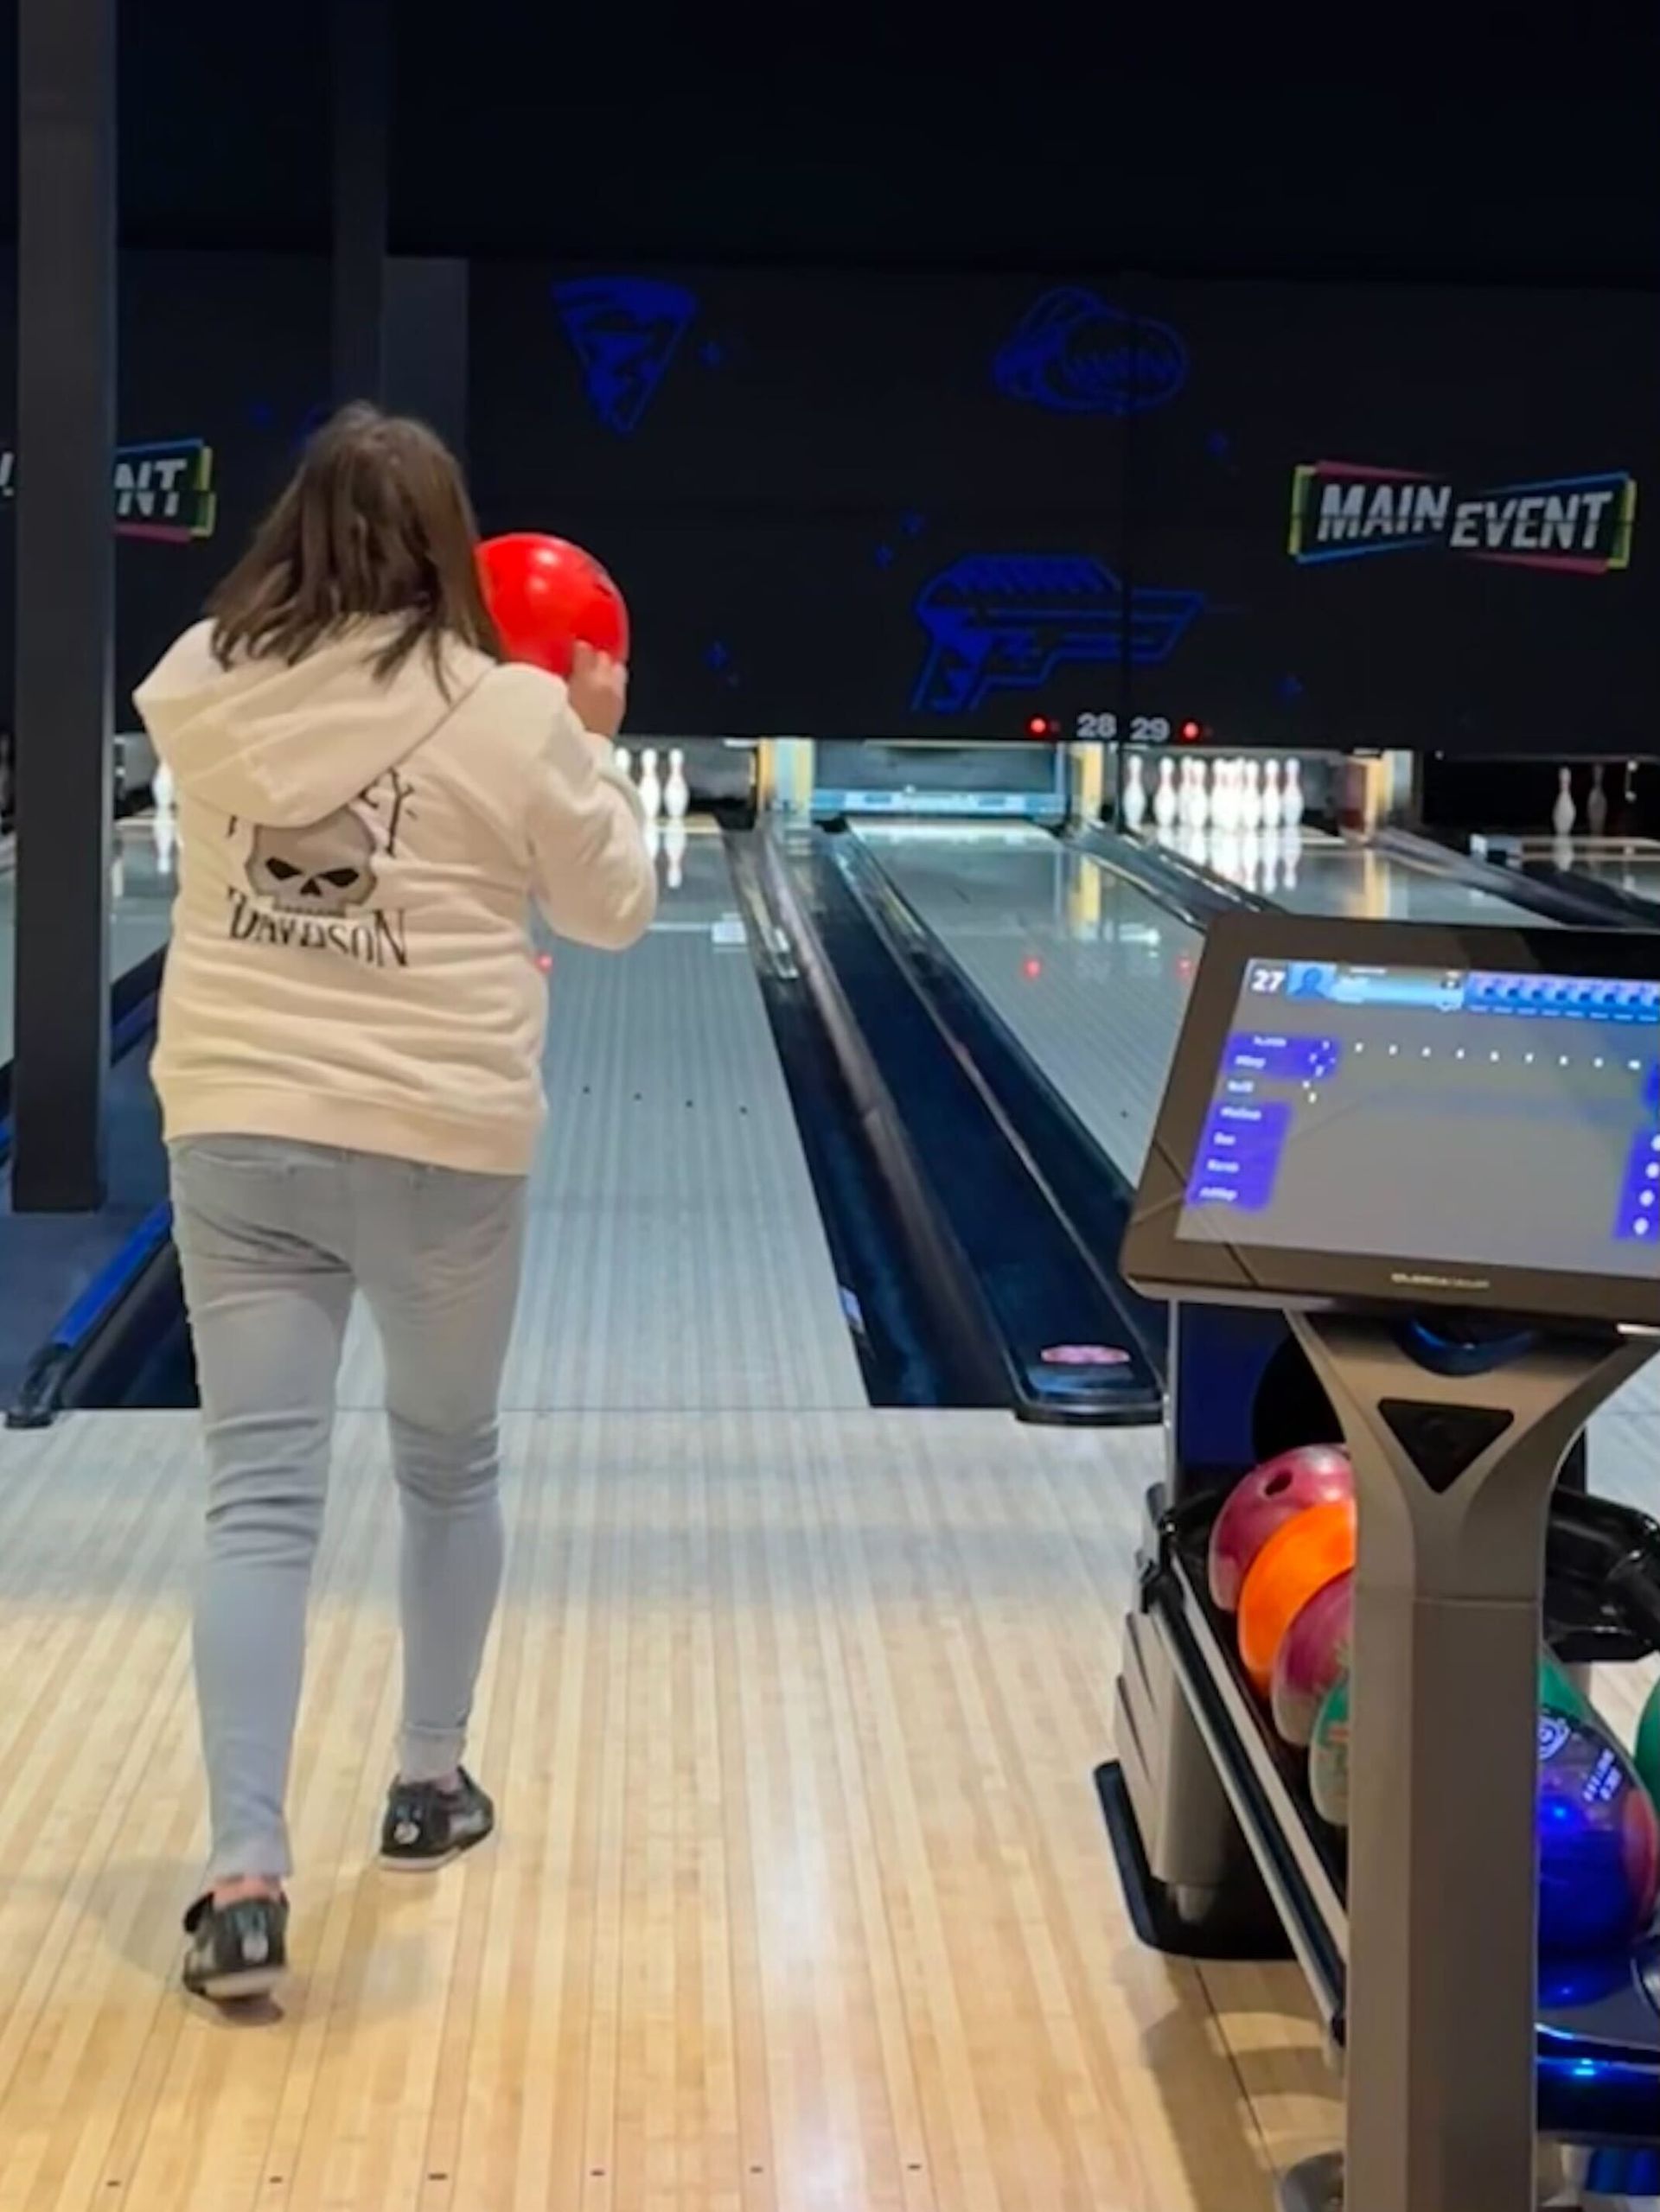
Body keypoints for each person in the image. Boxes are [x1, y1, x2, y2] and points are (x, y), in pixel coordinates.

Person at [134, 405, 656, 2003]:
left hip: (237, 1129)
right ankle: (428, 1788)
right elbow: (613, 911)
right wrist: (592, 728)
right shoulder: (507, 711)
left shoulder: (199, 677)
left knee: (260, 1504)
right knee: (447, 1468)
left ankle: (241, 1879)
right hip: (440, 1144)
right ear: (450, 544)